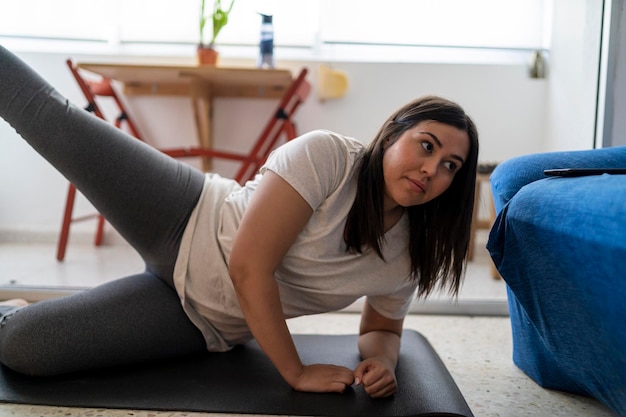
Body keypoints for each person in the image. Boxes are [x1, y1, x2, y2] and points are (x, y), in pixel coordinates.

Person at [0, 45, 479, 398]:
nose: (430, 170)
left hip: (201, 320)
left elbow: (384, 330)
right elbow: (250, 266)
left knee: (24, 348)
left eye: (450, 167)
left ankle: (14, 308)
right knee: (52, 118)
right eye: (427, 145)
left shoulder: (409, 255)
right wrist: (294, 371)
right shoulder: (330, 156)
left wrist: (380, 362)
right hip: (183, 212)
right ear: (393, 133)